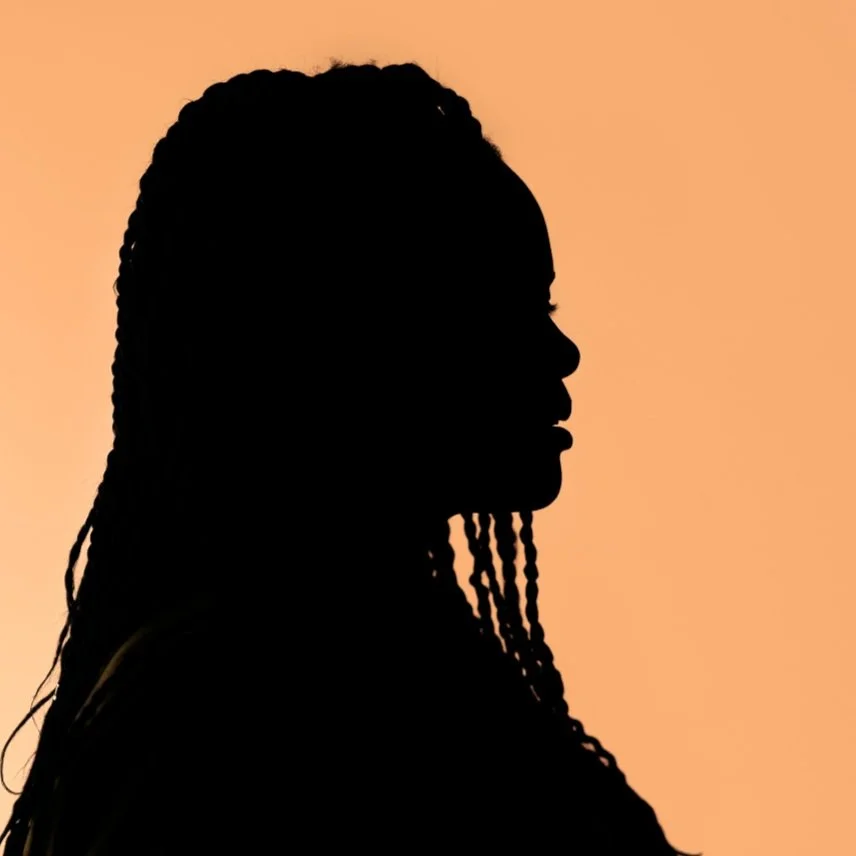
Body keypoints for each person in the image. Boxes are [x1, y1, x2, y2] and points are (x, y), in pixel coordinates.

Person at [0, 59, 701, 855]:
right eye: (502, 307)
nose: (561, 351)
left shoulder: (388, 670)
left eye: (545, 304)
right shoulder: (244, 716)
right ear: (356, 331)